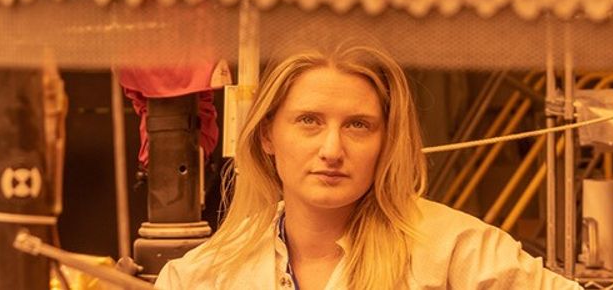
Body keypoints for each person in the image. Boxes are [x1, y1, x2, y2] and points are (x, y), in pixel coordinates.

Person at [157, 43, 582, 290]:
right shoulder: (203, 277)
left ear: (386, 140)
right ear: (268, 135)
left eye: (358, 125)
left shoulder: (455, 251)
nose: (332, 150)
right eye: (309, 121)